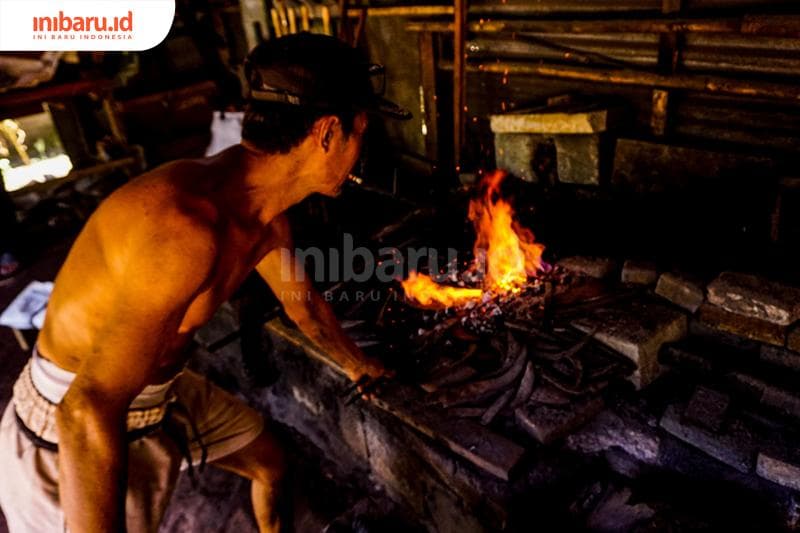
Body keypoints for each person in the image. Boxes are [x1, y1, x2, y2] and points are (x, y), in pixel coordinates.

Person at [0, 32, 409, 533]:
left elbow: (305, 309)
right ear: (327, 133)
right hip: (69, 419)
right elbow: (86, 411)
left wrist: (361, 367)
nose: (359, 151)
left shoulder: (265, 219)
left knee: (270, 463)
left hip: (159, 390)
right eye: (359, 133)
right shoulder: (185, 228)